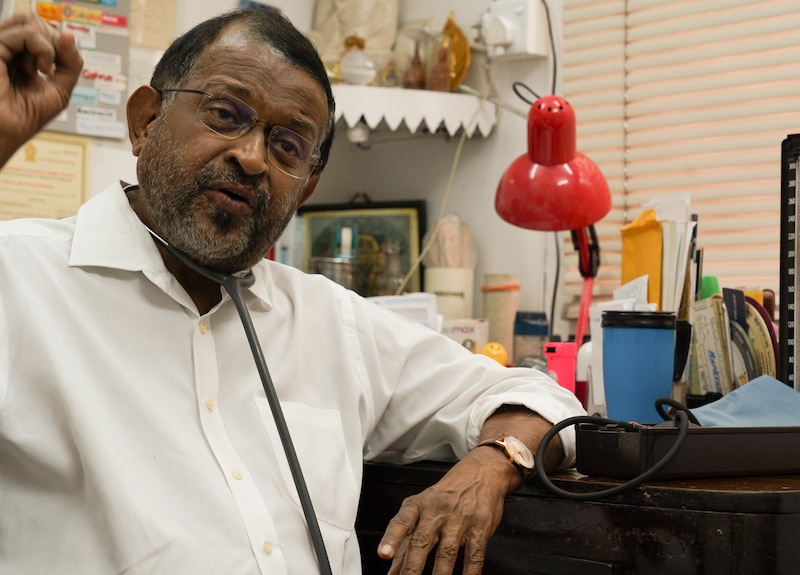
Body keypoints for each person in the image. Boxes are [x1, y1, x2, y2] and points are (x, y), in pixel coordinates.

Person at [0, 8, 586, 575]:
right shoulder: (21, 276)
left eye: (286, 146)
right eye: (225, 115)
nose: (251, 157)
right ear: (145, 120)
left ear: (304, 191)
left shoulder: (328, 320)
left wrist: (492, 464)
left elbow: (541, 399)